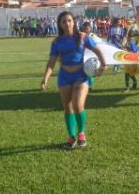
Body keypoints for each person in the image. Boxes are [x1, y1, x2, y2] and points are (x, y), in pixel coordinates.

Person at [41, 11, 107, 150]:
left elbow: (97, 49)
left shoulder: (83, 37)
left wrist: (103, 64)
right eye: (64, 21)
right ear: (60, 24)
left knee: (77, 105)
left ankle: (81, 133)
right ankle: (71, 137)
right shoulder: (57, 42)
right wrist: (45, 79)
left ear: (74, 22)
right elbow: (51, 62)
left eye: (69, 20)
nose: (67, 23)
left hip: (81, 75)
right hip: (64, 76)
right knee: (68, 108)